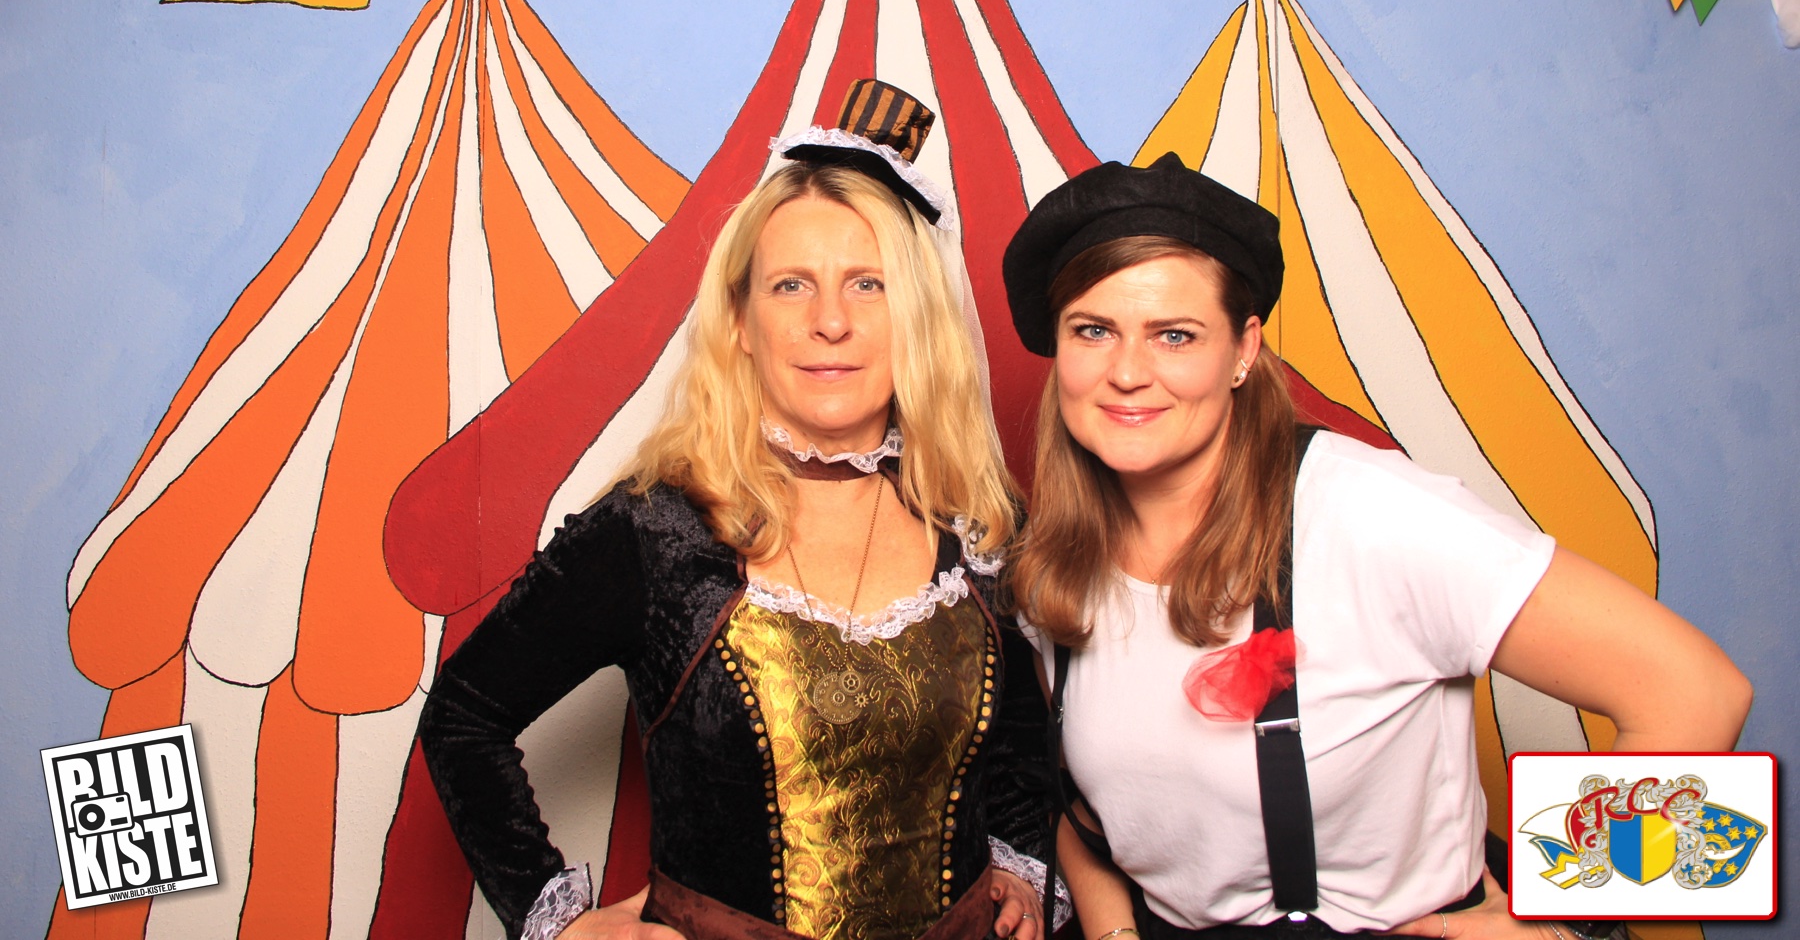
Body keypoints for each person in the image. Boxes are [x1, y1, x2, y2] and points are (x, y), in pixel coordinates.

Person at [997, 154, 1752, 940]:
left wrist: (1561, 922)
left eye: (1175, 335)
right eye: (1094, 331)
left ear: (1243, 351)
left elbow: (1699, 692)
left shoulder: (1368, 511)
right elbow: (1090, 813)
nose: (1127, 372)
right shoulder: (1053, 562)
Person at [421, 81, 1056, 940]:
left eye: (867, 284)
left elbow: (1016, 748)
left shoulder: (977, 522)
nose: (830, 321)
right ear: (741, 324)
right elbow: (465, 714)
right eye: (791, 285)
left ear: (917, 319)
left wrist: (1018, 865)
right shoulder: (656, 529)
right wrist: (562, 922)